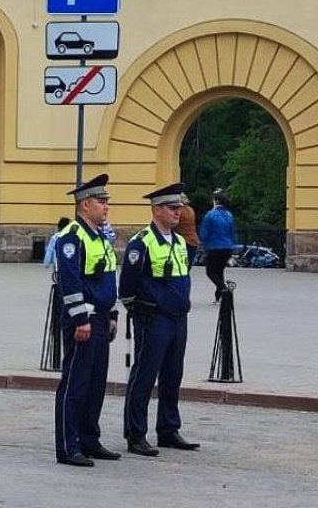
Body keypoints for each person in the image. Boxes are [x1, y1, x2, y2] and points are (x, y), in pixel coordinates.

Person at [120, 182, 200, 456]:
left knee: (172, 375)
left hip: (178, 318)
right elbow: (127, 286)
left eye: (179, 207)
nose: (179, 212)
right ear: (156, 210)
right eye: (172, 207)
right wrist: (142, 310)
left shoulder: (178, 241)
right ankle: (136, 433)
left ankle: (168, 429)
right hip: (153, 318)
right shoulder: (141, 242)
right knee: (144, 375)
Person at [53, 173, 121, 468]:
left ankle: (89, 440)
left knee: (95, 384)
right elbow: (70, 282)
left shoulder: (101, 237)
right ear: (84, 205)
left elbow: (108, 279)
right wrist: (81, 319)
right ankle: (69, 447)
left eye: (106, 201)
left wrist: (113, 314)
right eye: (100, 201)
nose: (106, 206)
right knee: (75, 384)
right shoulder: (71, 237)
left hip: (101, 319)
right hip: (84, 322)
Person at [199, 189, 238, 302]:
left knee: (210, 271)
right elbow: (232, 232)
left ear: (216, 201)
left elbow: (204, 233)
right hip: (227, 247)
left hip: (214, 247)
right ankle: (219, 296)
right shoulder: (229, 215)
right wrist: (233, 246)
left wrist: (203, 244)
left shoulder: (210, 215)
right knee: (220, 271)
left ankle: (223, 288)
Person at [175, 192, 201, 266]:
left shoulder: (180, 211)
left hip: (184, 241)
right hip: (193, 240)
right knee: (187, 266)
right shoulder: (190, 209)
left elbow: (174, 225)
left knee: (181, 267)